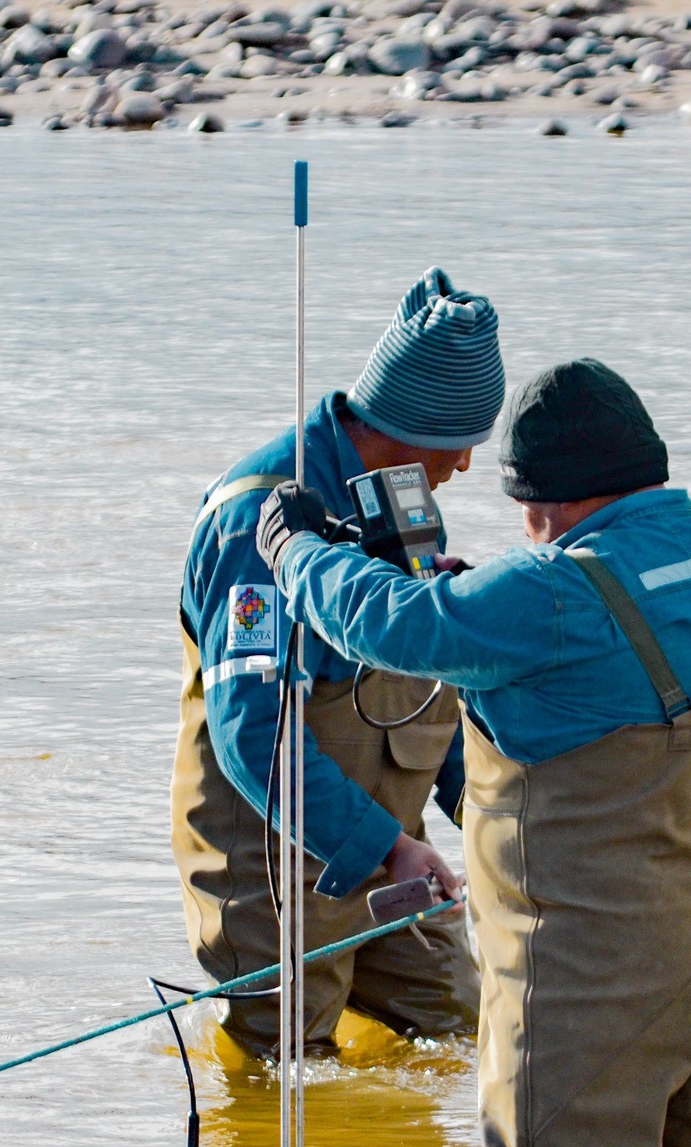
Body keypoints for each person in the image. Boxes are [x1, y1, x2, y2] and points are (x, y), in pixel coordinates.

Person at [256, 358, 691, 1147]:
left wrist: (298, 552)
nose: (528, 530)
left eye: (528, 510)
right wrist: (475, 599)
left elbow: (394, 627)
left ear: (548, 495)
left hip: (590, 987)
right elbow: (593, 671)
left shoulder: (548, 592)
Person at [172, 267, 503, 1059]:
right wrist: (386, 847)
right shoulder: (257, 518)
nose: (464, 466)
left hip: (390, 848)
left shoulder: (406, 496)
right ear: (418, 424)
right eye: (462, 443)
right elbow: (253, 736)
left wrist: (493, 815)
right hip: (271, 862)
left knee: (468, 1035)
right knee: (284, 1074)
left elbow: (427, 681)